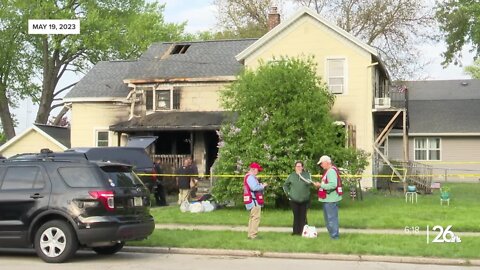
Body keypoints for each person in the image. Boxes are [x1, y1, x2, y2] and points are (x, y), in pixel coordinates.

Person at [314, 155, 342, 239]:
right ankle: (333, 236)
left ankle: (334, 237)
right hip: (329, 199)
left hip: (331, 200)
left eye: (322, 163)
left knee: (331, 219)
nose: (321, 165)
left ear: (327, 162)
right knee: (329, 219)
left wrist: (320, 185)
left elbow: (333, 185)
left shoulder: (331, 172)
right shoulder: (329, 171)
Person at [283, 161, 313, 235]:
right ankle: (295, 232)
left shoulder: (307, 175)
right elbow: (285, 185)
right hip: (294, 199)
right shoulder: (291, 176)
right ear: (295, 167)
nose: (298, 168)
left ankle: (303, 232)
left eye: (300, 166)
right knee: (296, 216)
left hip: (304, 199)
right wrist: (288, 194)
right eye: (297, 166)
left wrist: (301, 176)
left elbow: (309, 183)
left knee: (303, 216)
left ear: (302, 167)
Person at [244, 162, 267, 240]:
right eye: (257, 170)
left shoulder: (248, 177)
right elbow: (254, 188)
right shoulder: (250, 177)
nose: (258, 172)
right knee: (256, 218)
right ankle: (253, 235)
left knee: (252, 218)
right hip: (254, 201)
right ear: (253, 169)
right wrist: (262, 186)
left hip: (251, 201)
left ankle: (250, 234)